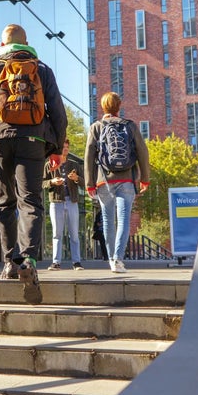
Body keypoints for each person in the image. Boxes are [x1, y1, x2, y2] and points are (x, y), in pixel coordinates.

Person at [0, 24, 67, 304]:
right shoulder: (42, 69)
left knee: (5, 201)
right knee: (31, 201)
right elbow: (57, 111)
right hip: (34, 140)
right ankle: (28, 260)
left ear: (2, 44)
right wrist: (57, 148)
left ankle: (9, 262)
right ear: (27, 42)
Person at [84, 92, 149, 273]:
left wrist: (89, 183)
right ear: (118, 107)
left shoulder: (96, 127)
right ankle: (118, 260)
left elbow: (89, 156)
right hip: (126, 179)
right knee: (124, 219)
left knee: (107, 220)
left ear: (103, 107)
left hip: (103, 180)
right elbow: (143, 152)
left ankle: (111, 259)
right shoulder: (130, 126)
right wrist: (145, 179)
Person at [43, 139, 85, 270]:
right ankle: (56, 262)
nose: (65, 149)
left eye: (67, 147)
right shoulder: (49, 165)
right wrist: (52, 182)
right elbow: (42, 183)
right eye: (63, 147)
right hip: (56, 202)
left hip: (72, 201)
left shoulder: (75, 165)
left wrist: (76, 178)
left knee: (74, 233)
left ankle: (76, 262)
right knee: (57, 233)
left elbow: (85, 183)